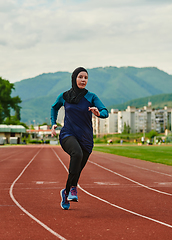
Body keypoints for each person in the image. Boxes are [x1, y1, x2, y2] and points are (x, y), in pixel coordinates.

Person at [50, 67, 108, 210]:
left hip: (85, 137)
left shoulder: (91, 97)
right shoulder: (64, 96)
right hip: (68, 134)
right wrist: (53, 123)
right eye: (80, 77)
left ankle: (66, 192)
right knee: (77, 153)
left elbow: (105, 111)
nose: (83, 80)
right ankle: (73, 189)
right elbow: (54, 107)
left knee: (77, 169)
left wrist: (98, 113)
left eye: (86, 78)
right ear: (74, 78)